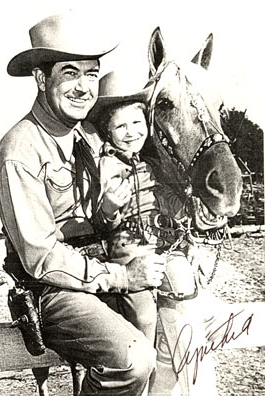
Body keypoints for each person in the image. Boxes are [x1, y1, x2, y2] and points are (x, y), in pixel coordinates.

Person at [0, 13, 167, 396]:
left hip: (97, 269)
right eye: (70, 73)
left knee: (178, 324)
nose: (85, 87)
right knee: (132, 360)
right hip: (52, 290)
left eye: (91, 73)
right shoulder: (20, 150)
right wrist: (121, 277)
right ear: (41, 78)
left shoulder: (87, 139)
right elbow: (41, 255)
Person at [91, 71, 220, 396]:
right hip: (128, 247)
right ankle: (142, 375)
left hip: (160, 244)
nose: (131, 132)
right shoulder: (105, 168)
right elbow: (102, 220)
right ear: (107, 131)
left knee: (182, 285)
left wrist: (192, 213)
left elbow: (165, 198)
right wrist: (109, 206)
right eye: (121, 127)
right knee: (145, 314)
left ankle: (172, 381)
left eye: (137, 124)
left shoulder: (150, 165)